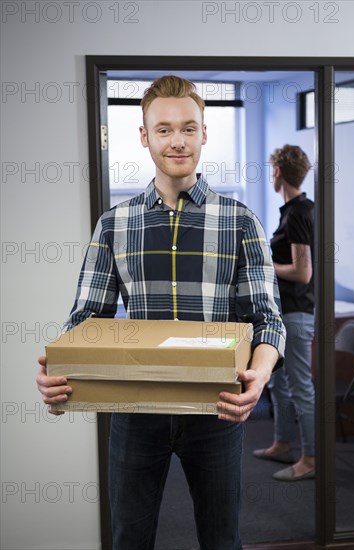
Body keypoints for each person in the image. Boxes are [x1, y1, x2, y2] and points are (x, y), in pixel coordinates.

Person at [36, 75, 286, 550]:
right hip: (135, 408)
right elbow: (86, 318)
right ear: (145, 136)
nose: (178, 140)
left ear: (205, 134)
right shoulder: (115, 223)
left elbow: (267, 319)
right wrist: (59, 370)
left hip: (218, 408)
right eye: (165, 129)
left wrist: (258, 374)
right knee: (129, 538)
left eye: (189, 128)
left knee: (222, 539)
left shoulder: (241, 221)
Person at [253, 144, 315, 481]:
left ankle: (311, 458)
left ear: (278, 172)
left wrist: (267, 266)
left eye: (272, 168)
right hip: (285, 313)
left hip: (297, 313)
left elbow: (302, 272)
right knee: (280, 382)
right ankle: (282, 443)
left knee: (300, 386)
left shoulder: (300, 212)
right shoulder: (292, 210)